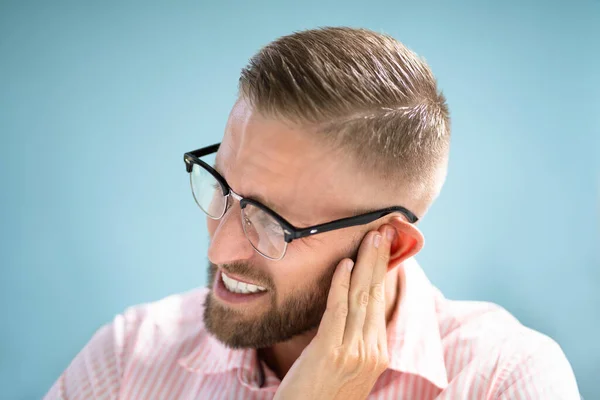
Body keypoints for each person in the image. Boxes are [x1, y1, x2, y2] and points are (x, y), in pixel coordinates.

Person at [45, 27, 580, 399]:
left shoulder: (504, 381)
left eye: (272, 221)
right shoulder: (130, 356)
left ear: (389, 246)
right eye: (223, 187)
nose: (219, 250)